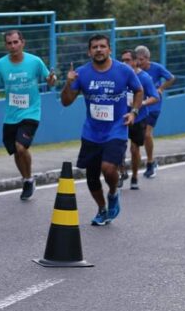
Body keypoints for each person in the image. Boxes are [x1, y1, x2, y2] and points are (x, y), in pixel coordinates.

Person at [61, 34, 143, 226]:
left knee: (108, 168)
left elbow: (138, 91)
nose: (99, 50)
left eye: (102, 46)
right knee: (91, 178)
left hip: (117, 129)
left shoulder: (123, 70)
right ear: (89, 51)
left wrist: (134, 112)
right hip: (91, 132)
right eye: (95, 47)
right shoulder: (82, 73)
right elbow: (66, 102)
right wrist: (68, 82)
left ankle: (113, 192)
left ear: (109, 50)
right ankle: (102, 209)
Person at [0, 30, 56, 200]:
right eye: (9, 43)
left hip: (31, 112)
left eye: (15, 42)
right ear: (6, 45)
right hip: (11, 115)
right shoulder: (1, 64)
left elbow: (50, 80)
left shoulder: (35, 61)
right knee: (15, 152)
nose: (13, 46)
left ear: (22, 42)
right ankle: (27, 179)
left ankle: (28, 178)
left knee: (21, 147)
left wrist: (51, 80)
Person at [134, 45, 176, 178]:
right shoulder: (135, 71)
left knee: (147, 134)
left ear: (148, 58)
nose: (139, 62)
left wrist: (161, 88)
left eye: (142, 59)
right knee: (134, 138)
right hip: (139, 107)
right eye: (137, 59)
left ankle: (150, 162)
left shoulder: (156, 68)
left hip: (153, 106)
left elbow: (171, 78)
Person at [119, 49, 159, 190]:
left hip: (138, 117)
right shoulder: (119, 75)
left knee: (134, 148)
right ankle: (122, 171)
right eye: (122, 60)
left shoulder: (144, 78)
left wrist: (142, 103)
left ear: (136, 61)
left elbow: (155, 97)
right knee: (117, 146)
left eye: (127, 60)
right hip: (120, 117)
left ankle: (135, 175)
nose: (124, 63)